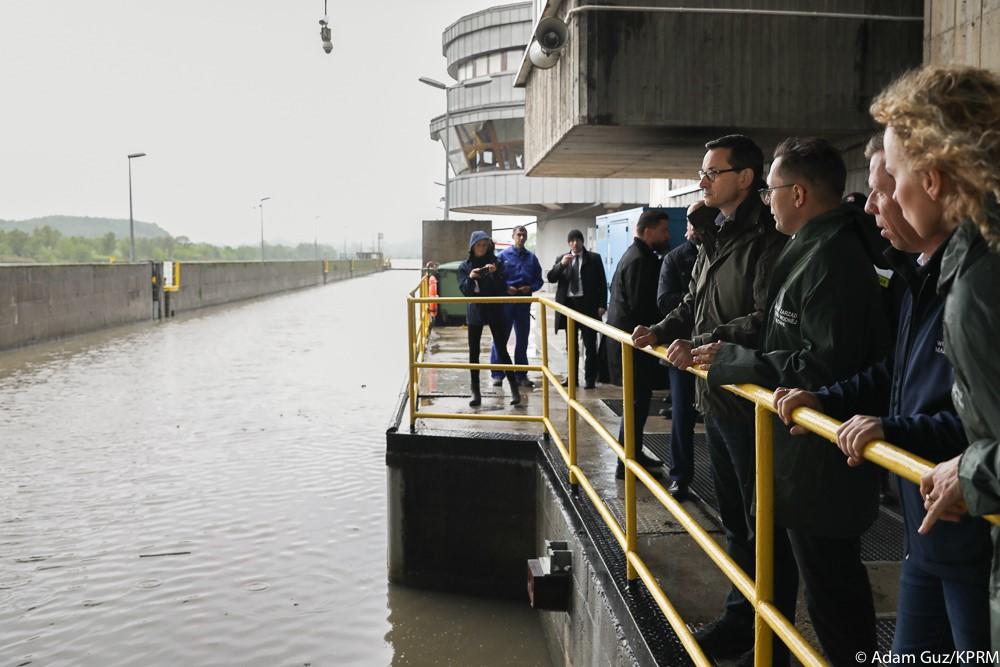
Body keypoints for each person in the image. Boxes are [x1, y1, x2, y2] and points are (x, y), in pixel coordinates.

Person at [773, 130, 991, 659]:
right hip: (927, 521)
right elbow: (899, 370)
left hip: (969, 524)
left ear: (933, 182)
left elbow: (974, 422)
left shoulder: (978, 286)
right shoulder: (925, 276)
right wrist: (827, 398)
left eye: (885, 184)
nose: (871, 204)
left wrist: (891, 429)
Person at [695, 137, 890, 666]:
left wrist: (733, 362)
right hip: (796, 454)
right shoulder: (810, 251)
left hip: (820, 458)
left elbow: (822, 366)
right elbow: (784, 336)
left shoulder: (832, 261)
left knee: (833, 597)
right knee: (806, 579)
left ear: (798, 193)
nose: (767, 200)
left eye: (772, 190)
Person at [632, 134, 789, 666]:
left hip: (751, 404)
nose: (702, 181)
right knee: (736, 521)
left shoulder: (766, 238)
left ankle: (769, 637)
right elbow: (694, 305)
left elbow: (765, 318)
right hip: (717, 397)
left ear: (745, 178)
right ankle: (742, 620)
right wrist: (657, 330)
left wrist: (700, 341)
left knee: (761, 523)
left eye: (712, 173)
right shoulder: (716, 238)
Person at [868, 65, 1000, 650]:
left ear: (935, 177)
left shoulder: (980, 283)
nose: (888, 197)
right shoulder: (966, 266)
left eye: (894, 177)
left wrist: (970, 469)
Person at [606, 209, 671, 480]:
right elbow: (642, 306)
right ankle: (627, 460)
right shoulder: (641, 261)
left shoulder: (634, 256)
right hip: (634, 344)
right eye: (663, 231)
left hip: (628, 343)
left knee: (637, 402)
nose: (667, 236)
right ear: (647, 231)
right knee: (637, 403)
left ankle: (631, 454)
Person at [654, 204, 702, 500]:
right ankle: (680, 477)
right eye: (690, 221)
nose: (694, 226)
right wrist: (696, 302)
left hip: (719, 348)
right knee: (683, 413)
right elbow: (664, 301)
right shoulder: (675, 258)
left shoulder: (724, 253)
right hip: (684, 348)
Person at [458, 231, 521, 408]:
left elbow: (502, 287)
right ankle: (475, 392)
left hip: (494, 310)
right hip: (475, 312)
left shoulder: (496, 262)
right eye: (478, 245)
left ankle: (514, 389)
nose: (482, 248)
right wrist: (471, 278)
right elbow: (465, 291)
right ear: (472, 247)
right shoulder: (465, 266)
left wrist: (494, 273)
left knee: (502, 349)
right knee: (474, 353)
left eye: (485, 245)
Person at [546, 229, 608, 389]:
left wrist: (602, 304)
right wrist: (561, 265)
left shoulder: (594, 258)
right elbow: (551, 278)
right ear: (569, 243)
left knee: (589, 344)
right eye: (572, 241)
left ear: (582, 242)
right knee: (571, 345)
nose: (575, 243)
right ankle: (572, 377)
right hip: (569, 306)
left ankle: (590, 378)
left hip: (588, 306)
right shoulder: (562, 258)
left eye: (577, 240)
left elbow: (602, 282)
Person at [490, 225, 544, 388]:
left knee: (522, 339)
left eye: (524, 235)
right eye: (519, 234)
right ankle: (498, 374)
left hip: (523, 303)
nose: (521, 237)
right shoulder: (502, 257)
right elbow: (495, 279)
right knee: (500, 338)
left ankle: (521, 375)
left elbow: (539, 280)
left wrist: (531, 288)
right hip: (506, 302)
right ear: (513, 236)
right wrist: (505, 287)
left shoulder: (532, 258)